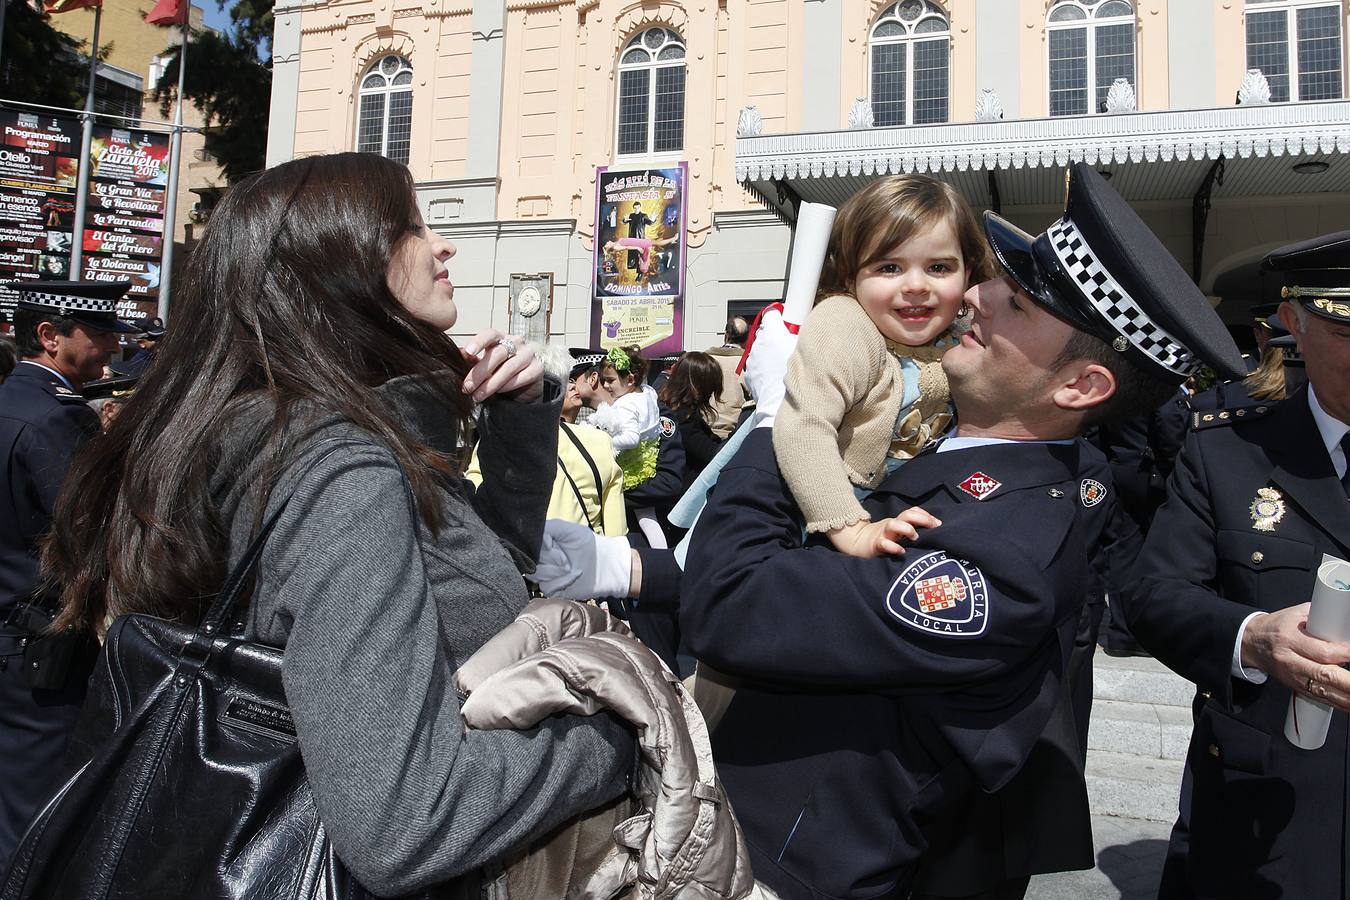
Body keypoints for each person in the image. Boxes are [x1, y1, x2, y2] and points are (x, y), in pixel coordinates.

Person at [38, 153, 634, 896]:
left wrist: (518, 422)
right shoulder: (340, 471)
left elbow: (478, 589)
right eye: (413, 227)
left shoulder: (289, 433)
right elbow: (406, 821)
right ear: (343, 265)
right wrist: (615, 734)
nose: (443, 245)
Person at [678, 164, 1244, 900]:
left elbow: (731, 605)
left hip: (797, 869)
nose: (971, 293)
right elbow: (820, 579)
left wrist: (775, 422)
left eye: (1013, 302)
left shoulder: (1002, 559)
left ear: (1079, 387)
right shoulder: (963, 455)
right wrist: (623, 571)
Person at [1122, 229, 1350, 900]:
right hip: (1265, 815)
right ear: (1294, 323)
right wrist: (1253, 638)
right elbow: (1153, 596)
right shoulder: (1227, 450)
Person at [773, 175, 997, 559]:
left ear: (968, 272)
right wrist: (852, 530)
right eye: (890, 267)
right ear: (849, 274)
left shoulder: (963, 336)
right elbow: (805, 426)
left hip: (895, 513)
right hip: (817, 512)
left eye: (939, 267)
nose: (915, 285)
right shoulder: (844, 323)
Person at [0, 279, 138, 870]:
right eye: (100, 333)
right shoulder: (55, 421)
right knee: (35, 811)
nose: (113, 348)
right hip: (42, 642)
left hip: (15, 631)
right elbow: (90, 533)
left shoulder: (13, 403)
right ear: (50, 337)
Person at [589, 345, 662, 490]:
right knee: (645, 511)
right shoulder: (648, 392)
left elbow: (631, 438)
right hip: (650, 460)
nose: (604, 385)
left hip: (631, 467)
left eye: (610, 380)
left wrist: (604, 442)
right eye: (604, 380)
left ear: (630, 380)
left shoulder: (625, 404)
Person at [658, 351, 725, 491]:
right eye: (710, 386)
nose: (711, 392)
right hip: (683, 494)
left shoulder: (670, 407)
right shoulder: (682, 418)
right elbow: (711, 454)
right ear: (699, 385)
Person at [706, 315, 750, 438]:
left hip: (704, 431)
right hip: (735, 434)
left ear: (726, 335)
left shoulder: (706, 359)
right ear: (747, 339)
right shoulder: (748, 362)